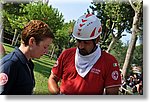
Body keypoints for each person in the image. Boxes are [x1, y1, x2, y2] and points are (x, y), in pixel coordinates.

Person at [48, 14, 121, 95]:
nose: (81, 46)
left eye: (86, 42)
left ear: (97, 39)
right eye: (78, 41)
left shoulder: (109, 62)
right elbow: (52, 79)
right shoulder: (66, 54)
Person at [0, 20, 54, 95]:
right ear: (32, 41)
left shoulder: (28, 64)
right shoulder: (10, 64)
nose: (46, 51)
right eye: (45, 47)